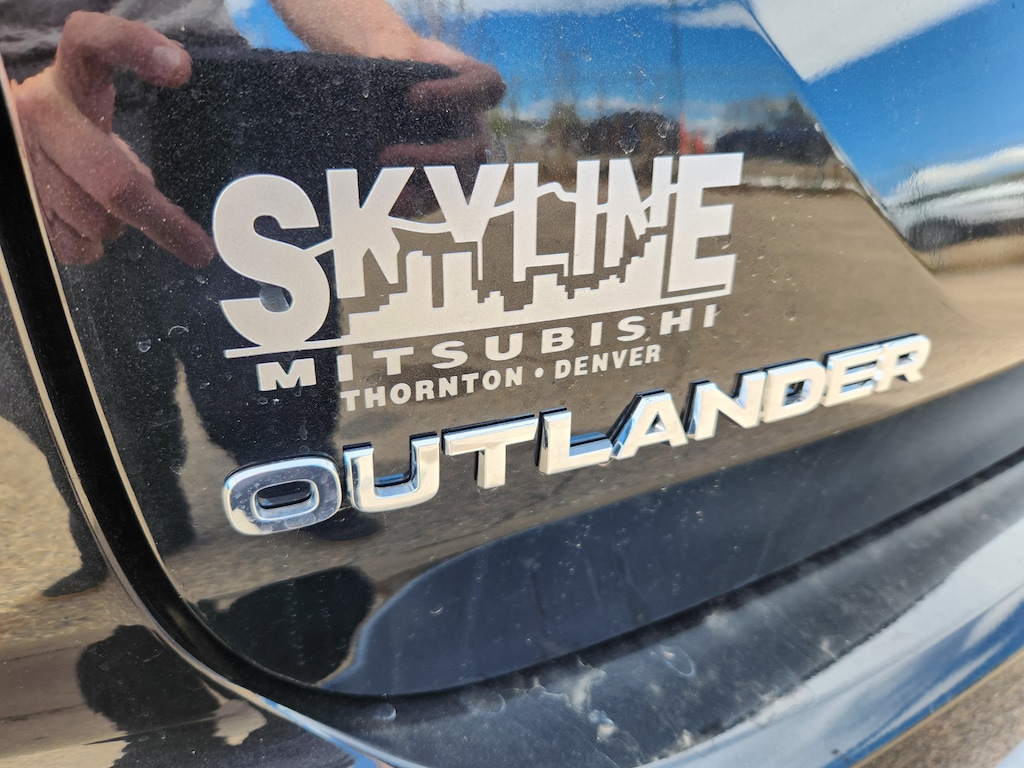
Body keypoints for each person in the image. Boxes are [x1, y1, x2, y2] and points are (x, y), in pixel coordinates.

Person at [1, 0, 505, 594]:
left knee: (259, 310)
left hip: (201, 73)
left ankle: (294, 477)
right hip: (31, 96)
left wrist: (395, 53)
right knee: (68, 354)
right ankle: (128, 509)